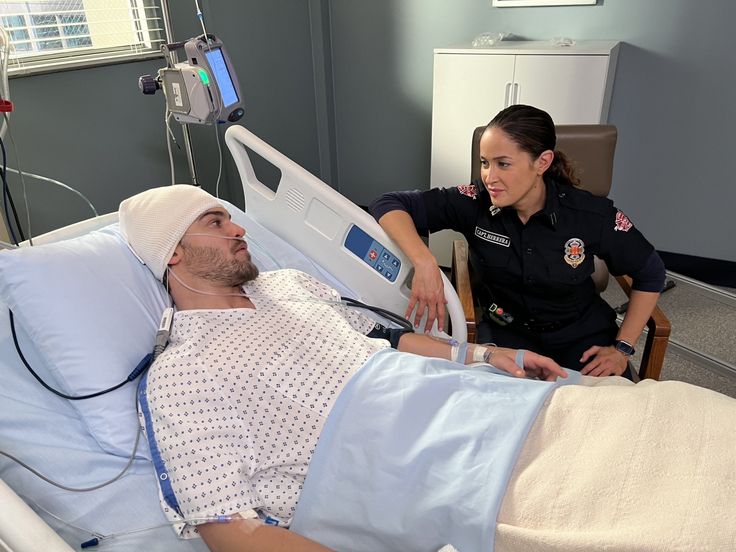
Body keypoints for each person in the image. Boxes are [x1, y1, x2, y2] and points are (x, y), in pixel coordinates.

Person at [118, 184, 566, 552]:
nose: (238, 228)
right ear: (173, 252)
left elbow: (386, 337)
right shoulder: (182, 372)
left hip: (466, 404)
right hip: (403, 467)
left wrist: (484, 356)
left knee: (584, 410)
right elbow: (229, 528)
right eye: (215, 223)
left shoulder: (288, 283)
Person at [370, 104, 666, 378]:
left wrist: (622, 348)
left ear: (542, 162)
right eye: (485, 163)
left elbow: (650, 272)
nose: (489, 176)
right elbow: (389, 203)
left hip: (582, 339)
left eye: (503, 164)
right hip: (506, 336)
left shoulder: (588, 214)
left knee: (606, 416)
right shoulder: (474, 202)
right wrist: (425, 261)